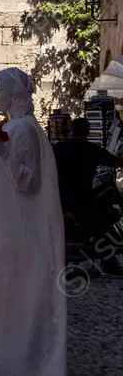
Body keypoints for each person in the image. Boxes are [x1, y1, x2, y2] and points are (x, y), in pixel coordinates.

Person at [0, 68, 65, 374]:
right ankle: (8, 360)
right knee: (7, 300)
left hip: (16, 234)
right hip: (5, 230)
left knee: (17, 300)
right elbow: (10, 173)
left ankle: (19, 362)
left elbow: (29, 181)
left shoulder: (24, 128)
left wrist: (1, 151)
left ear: (12, 95)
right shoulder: (17, 125)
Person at [53, 117, 123, 275]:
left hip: (60, 196)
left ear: (71, 130)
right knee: (102, 224)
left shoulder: (58, 147)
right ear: (88, 131)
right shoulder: (89, 148)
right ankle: (109, 263)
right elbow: (115, 161)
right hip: (81, 197)